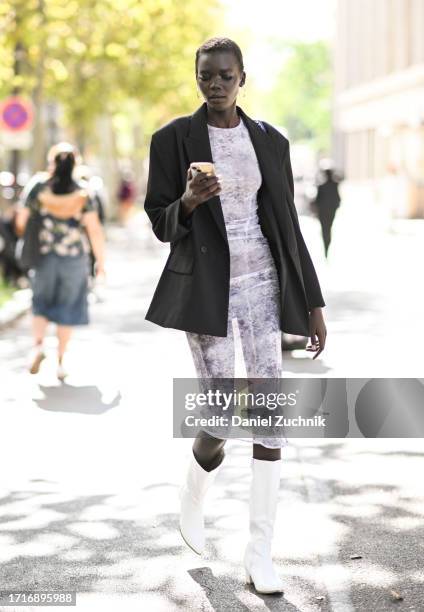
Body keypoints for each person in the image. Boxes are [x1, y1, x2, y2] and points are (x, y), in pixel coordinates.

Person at [144, 37, 327, 594]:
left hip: (265, 288)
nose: (215, 84)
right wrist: (192, 200)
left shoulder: (270, 140)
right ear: (196, 77)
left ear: (242, 77)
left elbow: (289, 227)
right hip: (208, 290)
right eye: (206, 76)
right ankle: (194, 490)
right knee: (222, 410)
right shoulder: (173, 139)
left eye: (225, 75)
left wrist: (313, 305)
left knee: (269, 413)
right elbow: (160, 221)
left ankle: (260, 552)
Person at [15, 142, 105, 379]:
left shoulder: (37, 187)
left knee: (40, 304)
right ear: (76, 164)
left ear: (51, 162)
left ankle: (37, 346)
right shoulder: (83, 192)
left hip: (43, 257)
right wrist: (101, 263)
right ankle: (61, 362)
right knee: (68, 308)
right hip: (74, 260)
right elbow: (94, 230)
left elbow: (21, 221)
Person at [312, 167, 341, 258]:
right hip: (328, 212)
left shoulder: (323, 186)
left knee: (325, 230)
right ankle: (326, 247)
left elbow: (317, 201)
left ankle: (326, 247)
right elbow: (338, 200)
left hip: (324, 212)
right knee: (327, 229)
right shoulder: (333, 185)